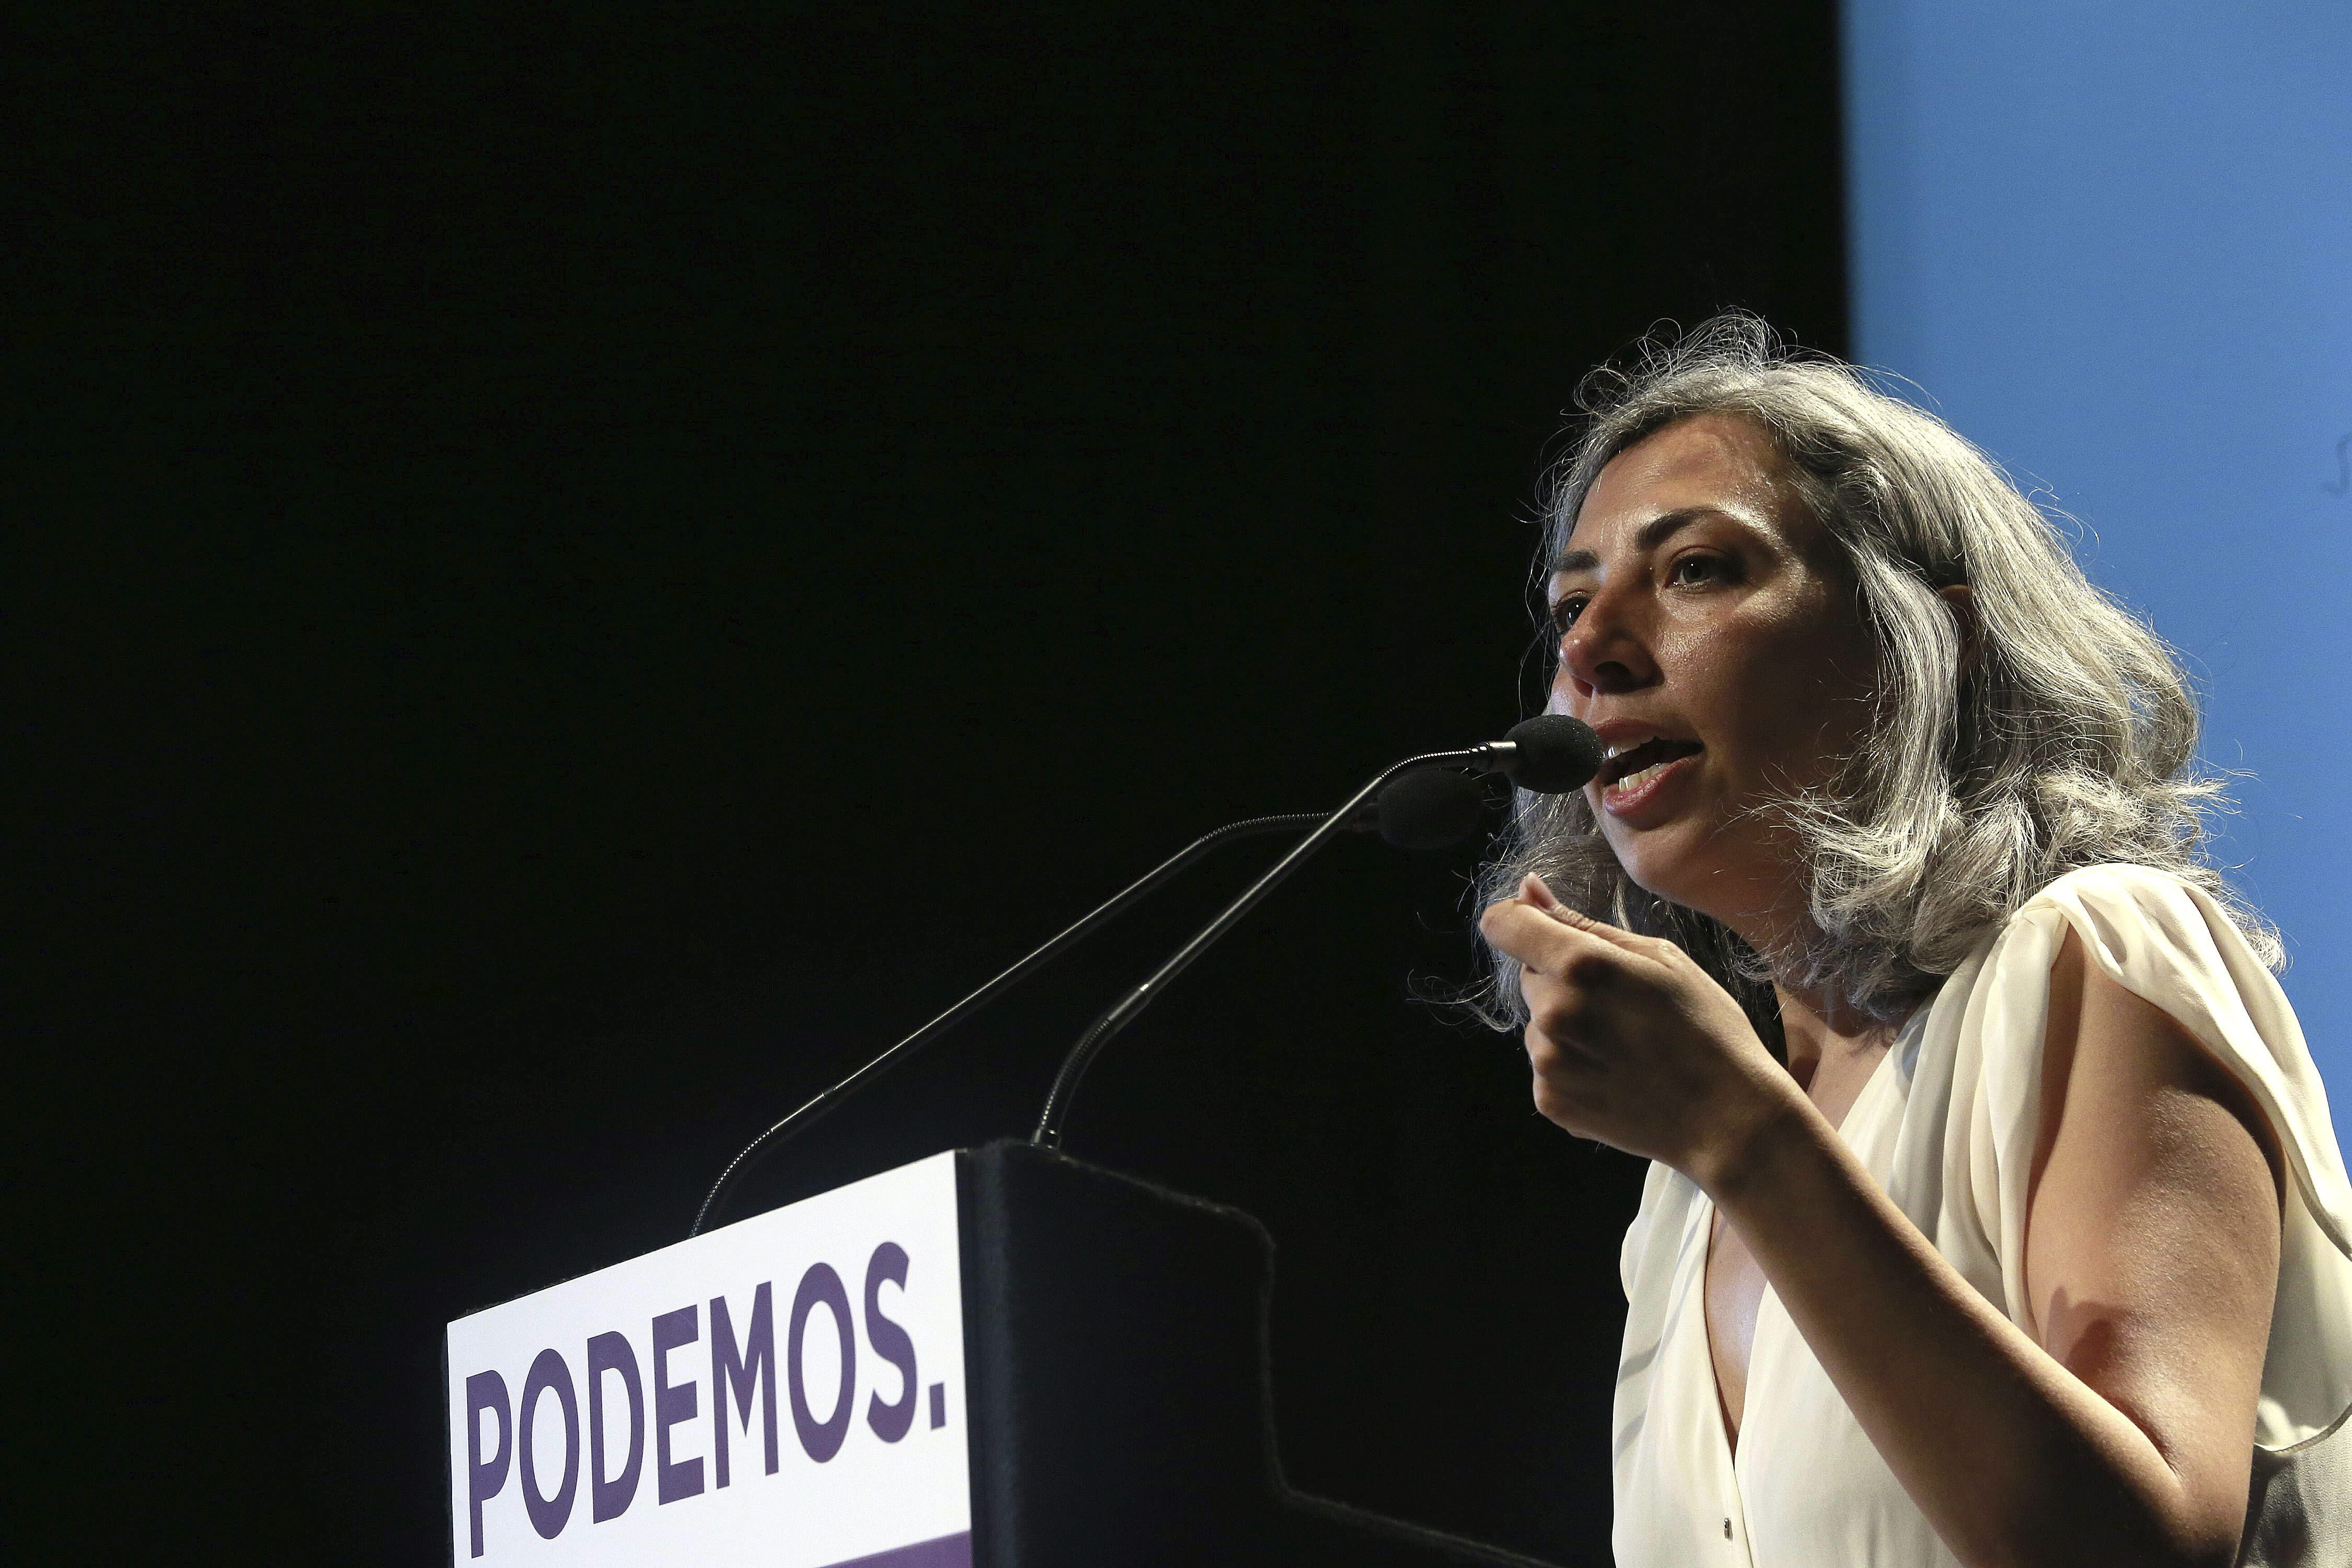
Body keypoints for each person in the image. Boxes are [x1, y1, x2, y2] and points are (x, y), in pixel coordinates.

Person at [1473, 317, 2351, 1567]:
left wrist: (1747, 1139)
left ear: (1921, 644)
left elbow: (2148, 1546)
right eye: (1571, 602)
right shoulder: (1683, 1196)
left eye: (1697, 571)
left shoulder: (2094, 952)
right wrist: (1731, 1144)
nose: (1589, 649)